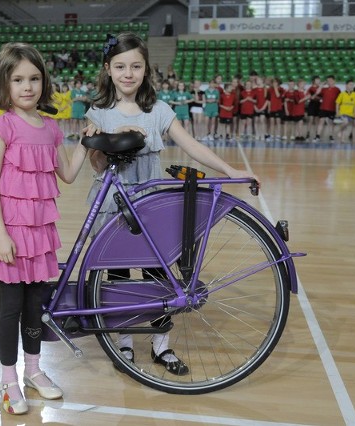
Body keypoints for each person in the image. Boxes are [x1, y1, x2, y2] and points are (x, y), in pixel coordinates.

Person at [84, 33, 259, 374]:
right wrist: (102, 143)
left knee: (160, 274)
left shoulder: (158, 110)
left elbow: (191, 146)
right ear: (108, 69)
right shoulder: (98, 112)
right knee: (119, 277)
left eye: (136, 66)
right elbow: (97, 166)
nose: (128, 73)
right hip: (113, 204)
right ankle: (124, 341)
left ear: (146, 69)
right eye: (120, 66)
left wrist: (228, 169)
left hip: (151, 203)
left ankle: (161, 343)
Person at [0, 42, 89, 415]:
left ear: (44, 82)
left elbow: (67, 175)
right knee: (10, 307)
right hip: (10, 232)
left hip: (40, 235)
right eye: (18, 79)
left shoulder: (51, 129)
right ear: (4, 84)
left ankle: (34, 372)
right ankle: (9, 380)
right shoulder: (1, 127)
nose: (28, 86)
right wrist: (2, 234)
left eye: (35, 78)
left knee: (35, 306)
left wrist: (85, 143)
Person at [314, 75, 341, 142]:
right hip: (323, 108)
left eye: (330, 80)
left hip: (332, 109)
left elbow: (339, 100)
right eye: (328, 81)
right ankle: (317, 136)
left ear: (334, 81)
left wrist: (338, 110)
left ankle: (331, 136)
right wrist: (321, 85)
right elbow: (317, 93)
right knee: (321, 122)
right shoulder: (324, 89)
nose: (329, 82)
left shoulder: (337, 90)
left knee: (330, 123)